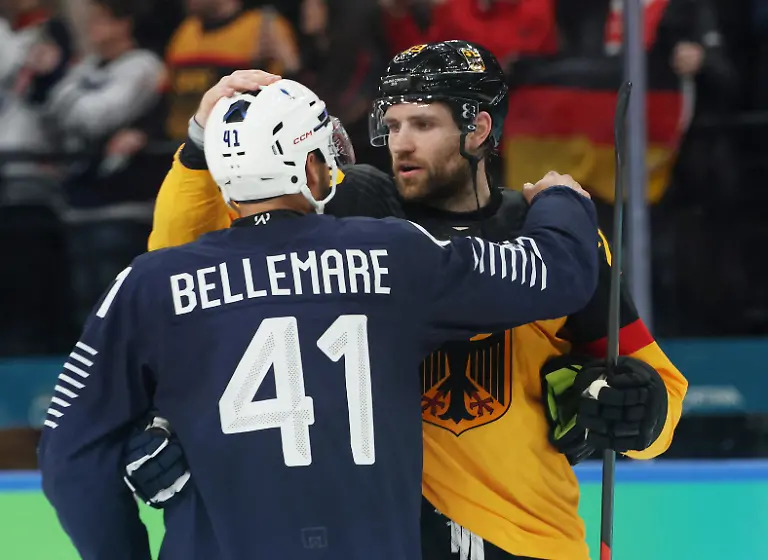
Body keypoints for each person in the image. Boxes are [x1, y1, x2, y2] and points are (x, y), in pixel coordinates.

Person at [130, 41, 687, 560]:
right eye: (392, 124)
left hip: (524, 537)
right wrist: (200, 148)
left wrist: (642, 411)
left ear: (478, 129)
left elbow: (658, 391)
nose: (401, 142)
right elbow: (188, 258)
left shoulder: (551, 236)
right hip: (374, 531)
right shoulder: (342, 212)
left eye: (423, 123)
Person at [38, 78, 599, 560]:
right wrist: (559, 199)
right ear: (307, 164)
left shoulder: (149, 284)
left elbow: (68, 454)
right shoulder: (391, 254)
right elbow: (561, 272)